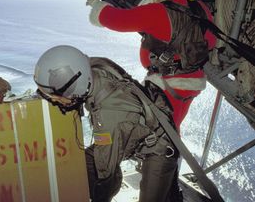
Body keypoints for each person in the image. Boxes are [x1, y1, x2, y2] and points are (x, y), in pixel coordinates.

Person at [84, 0, 217, 201]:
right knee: (172, 132)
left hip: (166, 88)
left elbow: (118, 20)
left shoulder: (159, 11)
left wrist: (97, 8)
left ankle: (164, 189)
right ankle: (170, 189)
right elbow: (211, 40)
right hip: (189, 87)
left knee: (162, 138)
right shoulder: (199, 8)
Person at [34, 45, 182, 202]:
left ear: (75, 88)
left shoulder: (108, 116)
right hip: (138, 126)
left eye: (57, 98)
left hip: (158, 147)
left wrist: (100, 198)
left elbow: (109, 176)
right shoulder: (93, 67)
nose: (56, 102)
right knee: (85, 164)